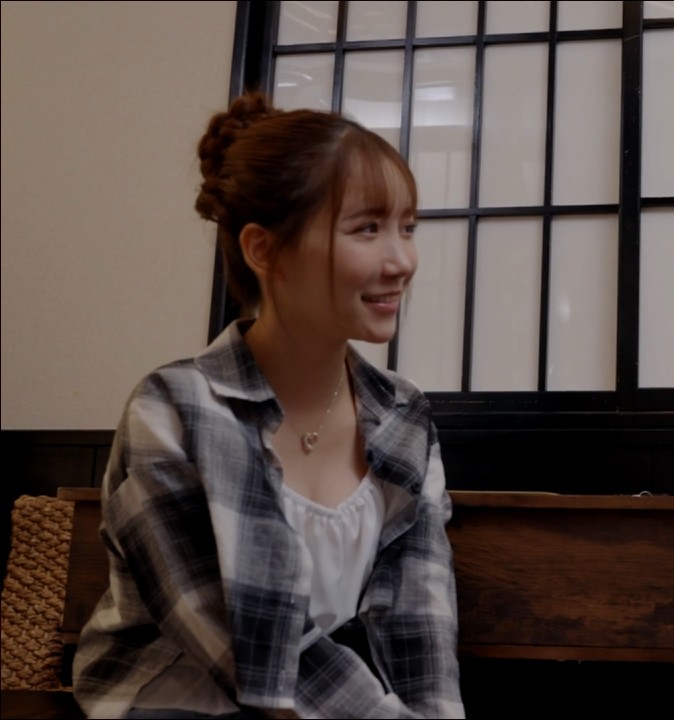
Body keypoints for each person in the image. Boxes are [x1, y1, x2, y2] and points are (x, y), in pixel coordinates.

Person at [72, 92, 464, 719]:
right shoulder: (173, 411)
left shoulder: (404, 417)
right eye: (367, 228)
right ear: (263, 250)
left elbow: (421, 624)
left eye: (408, 227)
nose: (402, 261)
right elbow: (253, 649)